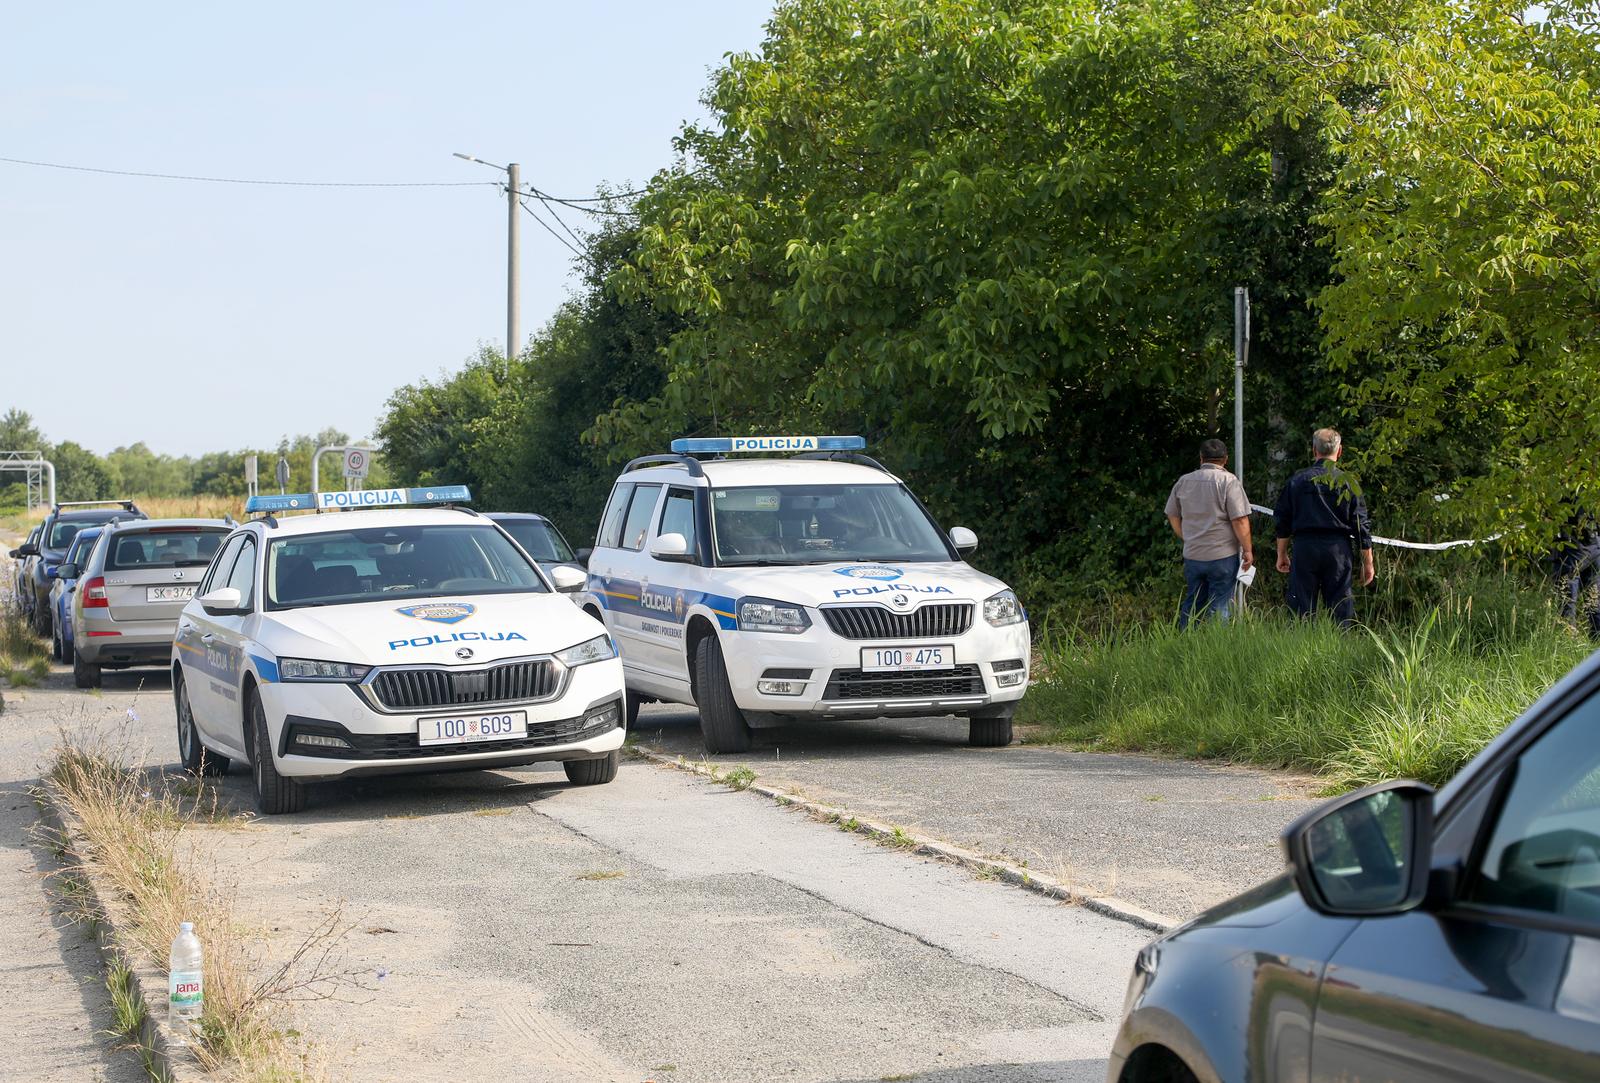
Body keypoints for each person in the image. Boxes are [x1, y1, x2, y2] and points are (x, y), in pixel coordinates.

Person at [1274, 428, 1374, 627]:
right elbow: (1361, 525)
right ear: (1340, 451)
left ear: (1314, 450)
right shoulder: (1349, 483)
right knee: (1340, 608)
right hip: (1338, 549)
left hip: (1305, 547)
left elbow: (1283, 521)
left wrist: (1282, 553)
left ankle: (1298, 650)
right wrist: (1368, 562)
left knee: (1300, 608)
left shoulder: (1297, 482)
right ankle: (1340, 649)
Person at [1164, 438, 1253, 628]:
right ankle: (1217, 649)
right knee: (1220, 606)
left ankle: (1185, 642)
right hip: (1222, 555)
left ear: (1201, 458)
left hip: (1193, 555)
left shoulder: (1184, 481)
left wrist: (1185, 536)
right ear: (1225, 459)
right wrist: (1247, 550)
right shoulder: (1229, 481)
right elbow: (1240, 520)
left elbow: (1172, 514)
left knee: (1193, 603)